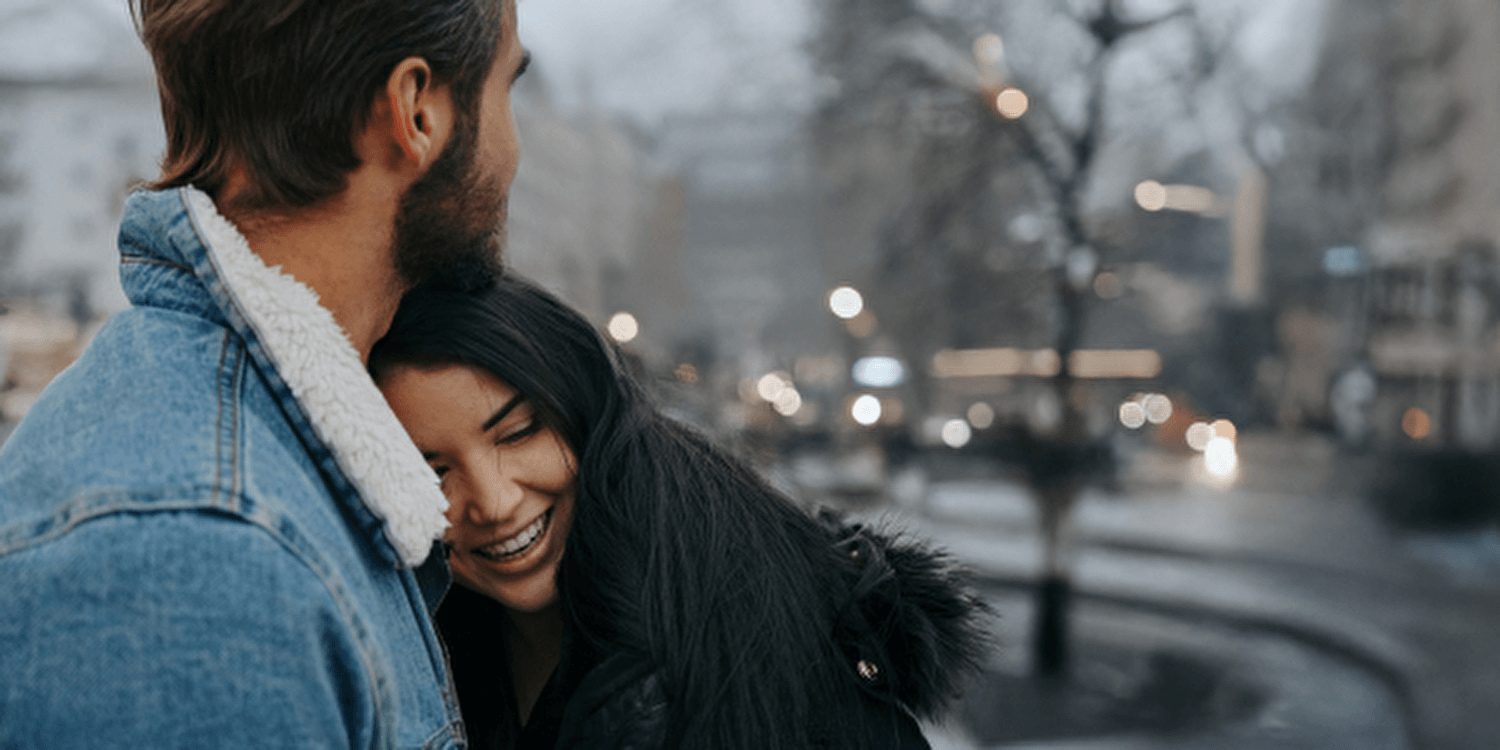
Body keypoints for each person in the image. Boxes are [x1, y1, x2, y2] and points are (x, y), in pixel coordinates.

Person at [0, 0, 528, 746]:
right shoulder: (198, 557)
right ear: (417, 112)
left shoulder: (257, 478)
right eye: (509, 88)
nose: (514, 146)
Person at [370, 275, 991, 750]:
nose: (494, 501)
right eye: (433, 470)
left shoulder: (774, 633)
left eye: (518, 433)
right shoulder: (414, 636)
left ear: (588, 417)